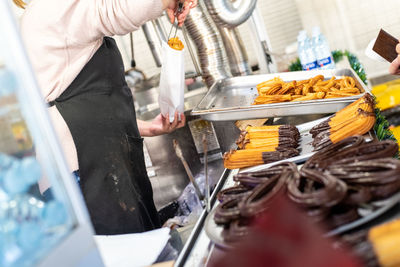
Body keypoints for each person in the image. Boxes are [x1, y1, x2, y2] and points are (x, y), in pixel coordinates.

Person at [14, 0, 197, 235]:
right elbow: (116, 11)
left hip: (91, 164)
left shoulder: (43, 13)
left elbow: (86, 103)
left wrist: (143, 127)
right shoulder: (53, 7)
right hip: (86, 175)